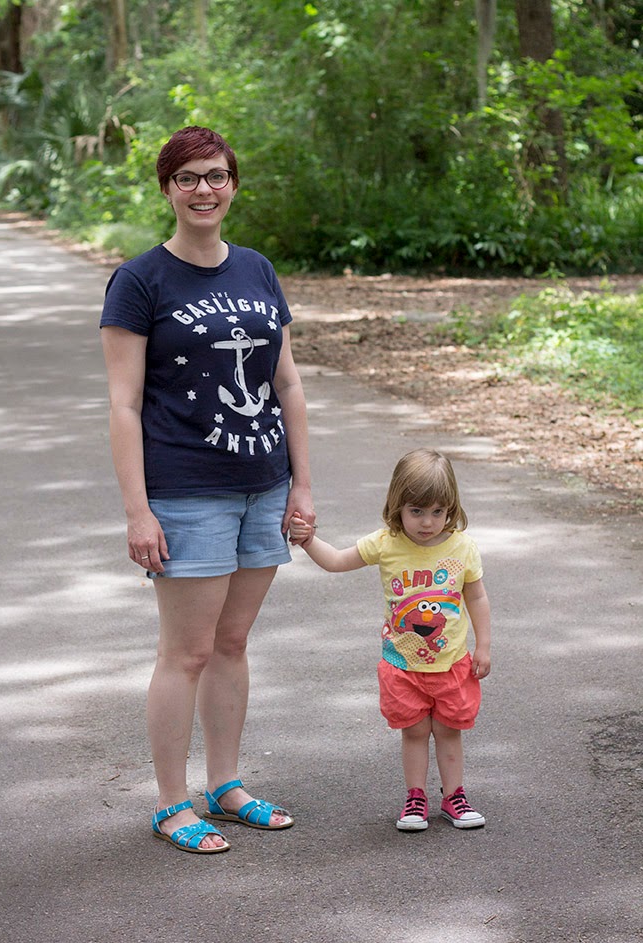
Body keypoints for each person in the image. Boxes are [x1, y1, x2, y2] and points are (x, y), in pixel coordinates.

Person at [100, 125, 315, 854]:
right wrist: (138, 510)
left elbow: (287, 384)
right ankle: (171, 802)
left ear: (233, 185)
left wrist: (302, 485)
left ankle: (225, 785)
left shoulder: (257, 269)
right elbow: (124, 404)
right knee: (186, 653)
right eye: (188, 177)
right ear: (167, 189)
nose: (204, 189)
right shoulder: (140, 281)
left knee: (232, 642)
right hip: (187, 491)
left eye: (216, 175)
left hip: (263, 483)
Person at [290, 449, 490, 832]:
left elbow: (476, 597)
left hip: (451, 664)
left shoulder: (462, 547)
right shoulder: (386, 543)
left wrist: (483, 646)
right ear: (397, 505)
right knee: (414, 731)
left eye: (438, 511)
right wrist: (309, 540)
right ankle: (415, 798)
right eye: (416, 511)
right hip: (402, 666)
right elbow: (336, 561)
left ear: (451, 508)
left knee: (449, 731)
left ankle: (454, 797)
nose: (427, 522)